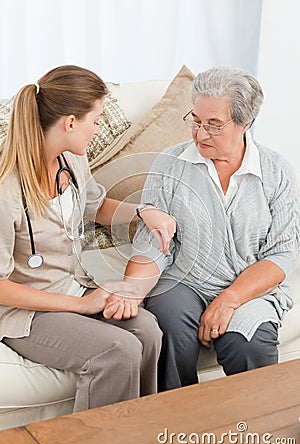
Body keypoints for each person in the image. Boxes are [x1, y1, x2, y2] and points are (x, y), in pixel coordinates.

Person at [103, 67, 300, 391]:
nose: (200, 134)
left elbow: (281, 254)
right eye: (195, 120)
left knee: (248, 344)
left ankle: (253, 431)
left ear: (245, 122)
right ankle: (174, 423)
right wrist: (133, 290)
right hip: (185, 281)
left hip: (248, 287)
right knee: (167, 325)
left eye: (214, 125)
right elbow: (152, 243)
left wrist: (229, 299)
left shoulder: (275, 171)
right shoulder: (170, 163)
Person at [0, 65, 176, 410]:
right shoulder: (6, 190)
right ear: (69, 122)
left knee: (150, 332)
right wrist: (82, 305)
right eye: (95, 121)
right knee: (117, 350)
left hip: (75, 285)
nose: (96, 130)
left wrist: (142, 211)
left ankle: (139, 430)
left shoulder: (70, 160)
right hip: (27, 311)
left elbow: (94, 206)